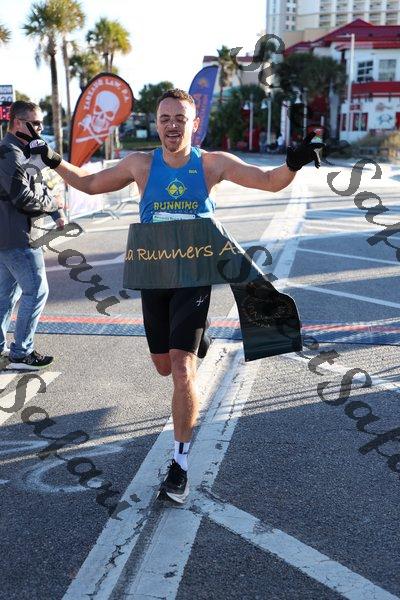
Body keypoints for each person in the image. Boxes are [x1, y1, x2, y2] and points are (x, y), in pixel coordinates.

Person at [19, 88, 323, 502]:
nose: (172, 125)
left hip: (193, 277)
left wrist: (294, 162)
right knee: (163, 366)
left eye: (180, 118)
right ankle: (197, 336)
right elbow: (89, 184)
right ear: (157, 124)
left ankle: (179, 466)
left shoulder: (211, 164)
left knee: (181, 369)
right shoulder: (141, 165)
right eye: (165, 118)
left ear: (194, 124)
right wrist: (52, 158)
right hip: (154, 274)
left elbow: (269, 182)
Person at [0, 101, 65, 370]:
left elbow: (37, 183)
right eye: (35, 123)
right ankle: (21, 353)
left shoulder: (20, 151)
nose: (40, 128)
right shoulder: (10, 153)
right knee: (37, 291)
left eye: (40, 123)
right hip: (18, 237)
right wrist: (52, 205)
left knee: (6, 295)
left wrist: (55, 211)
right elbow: (22, 197)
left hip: (11, 236)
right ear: (17, 123)